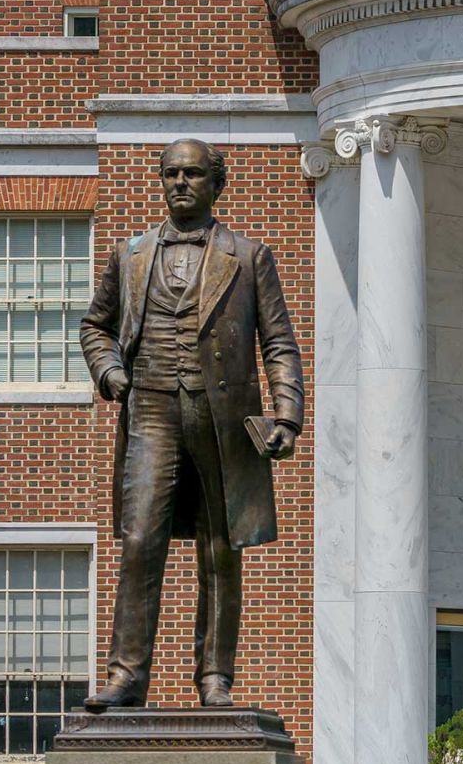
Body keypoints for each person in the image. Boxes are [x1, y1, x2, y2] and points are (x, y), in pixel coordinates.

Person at [79, 138, 304, 709]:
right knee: (139, 541)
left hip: (223, 415)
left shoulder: (250, 257)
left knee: (220, 548)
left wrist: (287, 415)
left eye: (194, 173)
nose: (181, 182)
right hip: (150, 406)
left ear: (215, 183)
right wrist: (109, 374)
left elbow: (278, 343)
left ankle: (214, 677)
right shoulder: (129, 255)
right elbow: (95, 328)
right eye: (172, 173)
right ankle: (127, 675)